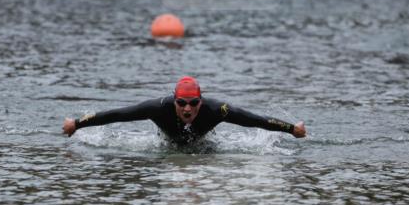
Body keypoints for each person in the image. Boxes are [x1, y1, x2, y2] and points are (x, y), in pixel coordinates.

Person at [62, 76, 306, 146]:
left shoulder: (217, 110)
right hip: (166, 145)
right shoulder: (157, 108)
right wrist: (77, 123)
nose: (187, 109)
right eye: (181, 103)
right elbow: (116, 115)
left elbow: (255, 120)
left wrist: (291, 129)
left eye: (193, 103)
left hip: (204, 146)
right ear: (174, 101)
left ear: (201, 100)